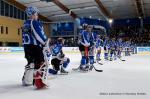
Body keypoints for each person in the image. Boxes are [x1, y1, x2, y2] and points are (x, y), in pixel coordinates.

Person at [22, 6, 50, 89]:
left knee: (30, 63)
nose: (37, 15)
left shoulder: (25, 23)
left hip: (27, 47)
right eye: (36, 13)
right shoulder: (34, 22)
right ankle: (39, 83)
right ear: (33, 14)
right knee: (40, 64)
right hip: (35, 47)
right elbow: (39, 35)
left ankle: (27, 81)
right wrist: (45, 43)